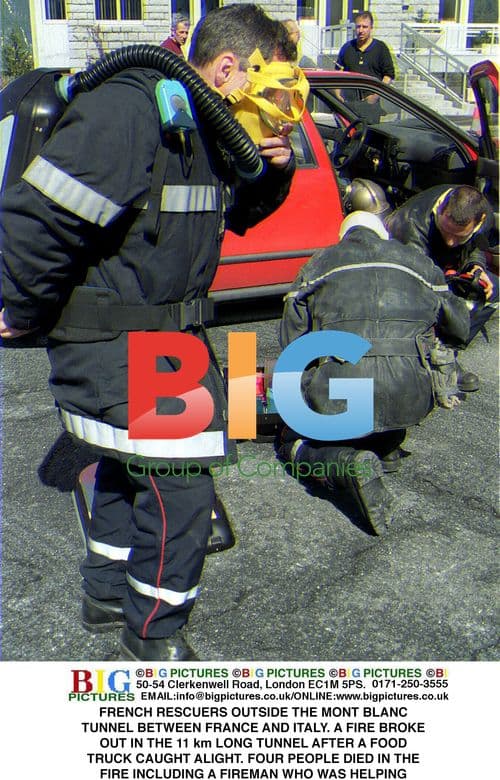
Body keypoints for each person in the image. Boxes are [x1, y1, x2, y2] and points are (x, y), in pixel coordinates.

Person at [0, 4, 297, 661]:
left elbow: (237, 215)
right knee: (184, 490)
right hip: (121, 341)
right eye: (275, 88)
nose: (281, 106)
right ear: (228, 70)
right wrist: (20, 310)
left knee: (128, 468)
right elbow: (36, 220)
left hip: (160, 342)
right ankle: (153, 632)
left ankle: (107, 593)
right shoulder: (134, 110)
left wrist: (273, 167)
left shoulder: (199, 123)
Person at [278, 211, 470, 536]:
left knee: (290, 443)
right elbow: (460, 326)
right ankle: (385, 446)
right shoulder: (418, 262)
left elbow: (292, 345)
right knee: (385, 400)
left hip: (344, 398)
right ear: (382, 233)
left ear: (344, 236)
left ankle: (344, 463)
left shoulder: (319, 263)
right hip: (411, 398)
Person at [386, 184, 497, 391]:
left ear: (479, 222)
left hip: (442, 269)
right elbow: (417, 285)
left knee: (488, 291)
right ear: (439, 211)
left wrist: (476, 268)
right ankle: (424, 354)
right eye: (445, 231)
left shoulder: (485, 215)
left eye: (459, 236)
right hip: (402, 278)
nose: (450, 241)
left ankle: (446, 351)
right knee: (440, 306)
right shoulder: (411, 225)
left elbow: (476, 247)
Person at [335, 11, 395, 123]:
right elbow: (338, 72)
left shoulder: (380, 48)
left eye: (365, 27)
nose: (361, 30)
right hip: (349, 105)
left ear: (371, 28)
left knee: (369, 139)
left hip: (370, 107)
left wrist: (375, 96)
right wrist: (338, 96)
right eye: (358, 27)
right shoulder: (347, 48)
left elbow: (388, 76)